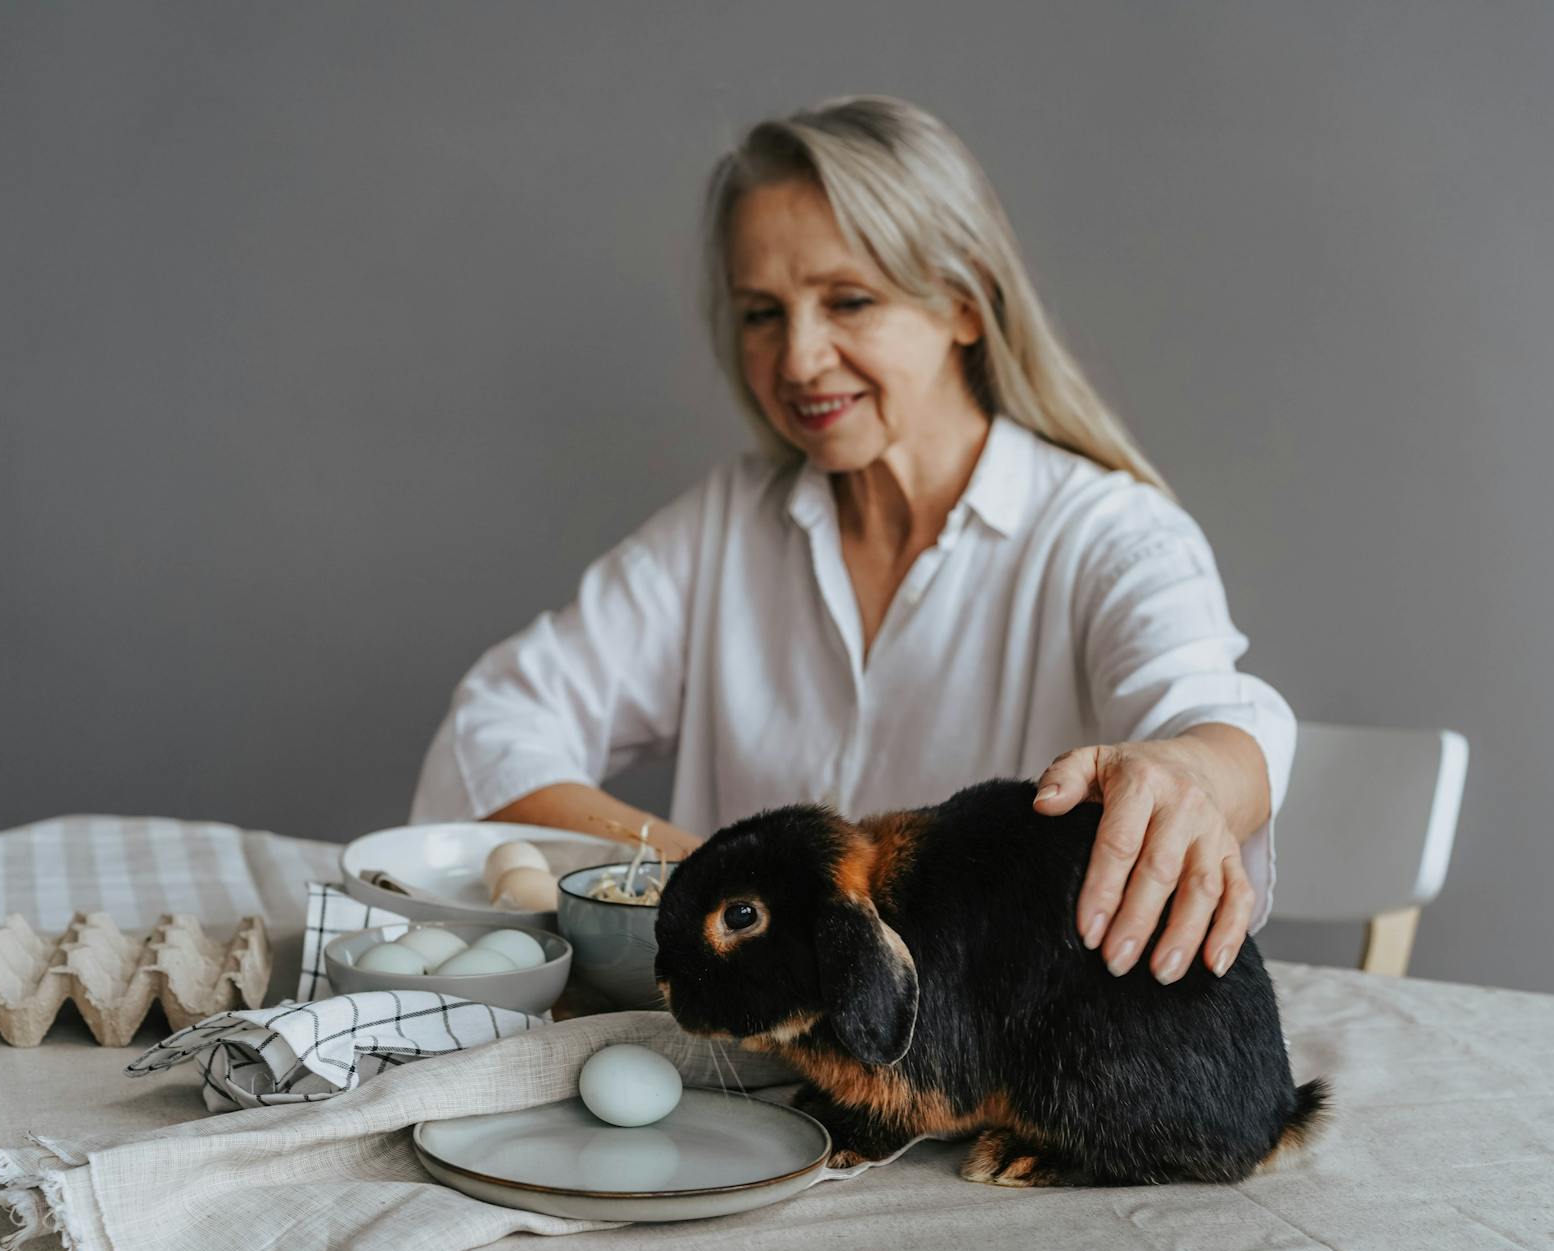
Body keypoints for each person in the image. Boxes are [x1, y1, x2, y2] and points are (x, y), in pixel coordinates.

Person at [411, 95, 1294, 985]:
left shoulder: (1113, 536)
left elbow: (1214, 723)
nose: (797, 360)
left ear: (963, 303)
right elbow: (496, 723)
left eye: (849, 301)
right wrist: (715, 874)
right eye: (762, 313)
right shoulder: (728, 526)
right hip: (747, 1070)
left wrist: (1190, 772)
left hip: (986, 1083)